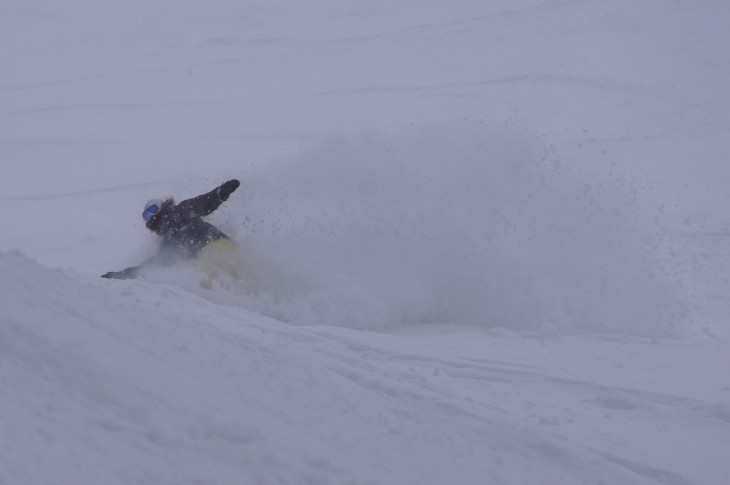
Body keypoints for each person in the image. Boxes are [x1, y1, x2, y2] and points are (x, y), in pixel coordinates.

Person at [102, 179, 241, 280]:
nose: (151, 216)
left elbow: (204, 202)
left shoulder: (183, 209)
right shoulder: (167, 243)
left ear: (161, 205)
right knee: (212, 279)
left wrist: (219, 193)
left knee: (211, 272)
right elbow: (152, 266)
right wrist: (120, 275)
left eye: (152, 209)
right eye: (147, 215)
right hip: (208, 259)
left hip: (216, 244)